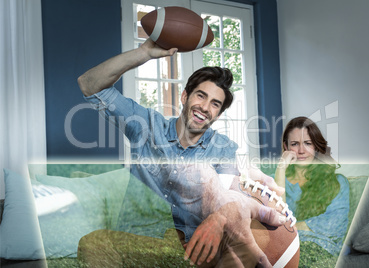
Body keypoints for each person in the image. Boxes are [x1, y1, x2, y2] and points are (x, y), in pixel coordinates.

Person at [77, 38, 287, 267]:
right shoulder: (146, 125)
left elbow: (231, 196)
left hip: (190, 251)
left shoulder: (223, 148)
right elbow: (89, 85)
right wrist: (143, 53)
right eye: (201, 95)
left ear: (218, 114)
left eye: (215, 104)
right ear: (185, 96)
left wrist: (221, 216)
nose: (205, 108)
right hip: (137, 243)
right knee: (92, 243)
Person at [274, 116, 349, 256]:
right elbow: (276, 219)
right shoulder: (277, 180)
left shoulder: (337, 182)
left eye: (308, 143)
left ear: (315, 146)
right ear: (286, 147)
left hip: (323, 251)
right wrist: (280, 169)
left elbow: (335, 226)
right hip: (286, 250)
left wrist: (289, 229)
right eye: (295, 144)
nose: (301, 150)